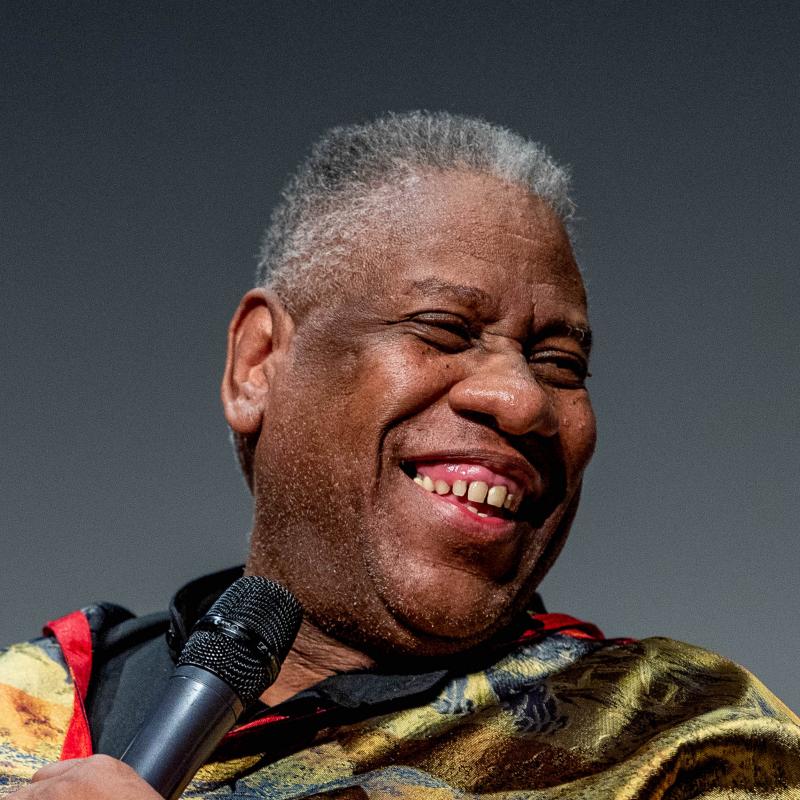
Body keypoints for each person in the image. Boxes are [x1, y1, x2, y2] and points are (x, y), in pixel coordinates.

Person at [1, 112, 798, 799]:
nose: (522, 400)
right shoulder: (23, 703)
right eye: (443, 330)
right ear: (259, 364)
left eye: (560, 364)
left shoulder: (684, 744)